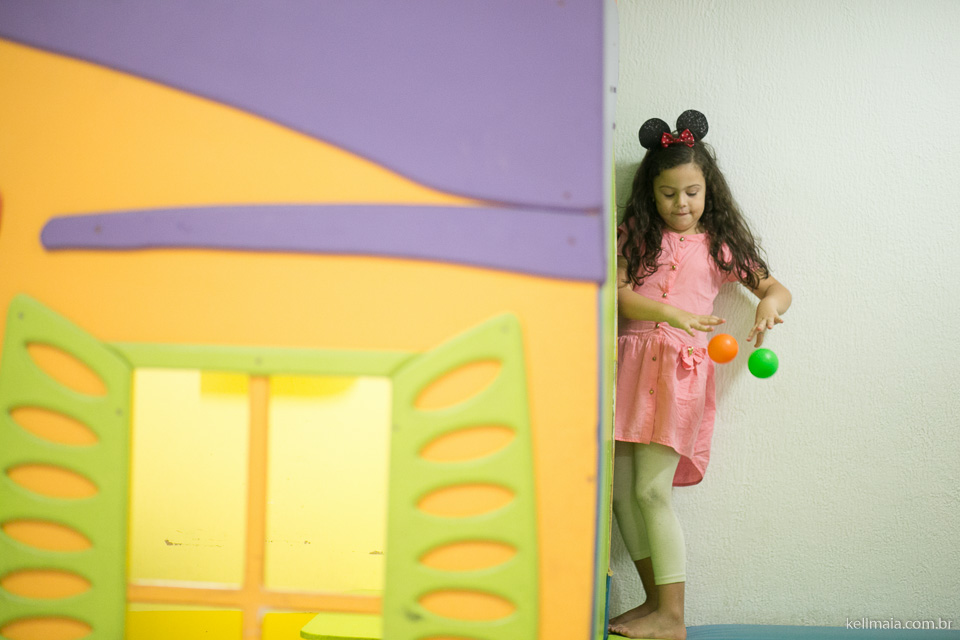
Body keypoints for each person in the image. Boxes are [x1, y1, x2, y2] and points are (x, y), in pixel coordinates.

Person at [608, 110, 792, 640]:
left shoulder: (718, 243)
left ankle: (673, 616)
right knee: (621, 495)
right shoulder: (633, 236)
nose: (682, 204)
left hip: (676, 376)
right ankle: (652, 602)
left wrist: (767, 309)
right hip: (628, 366)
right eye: (669, 194)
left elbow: (776, 288)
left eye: (692, 192)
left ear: (708, 189)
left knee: (650, 493)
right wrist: (670, 314)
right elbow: (619, 295)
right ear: (651, 193)